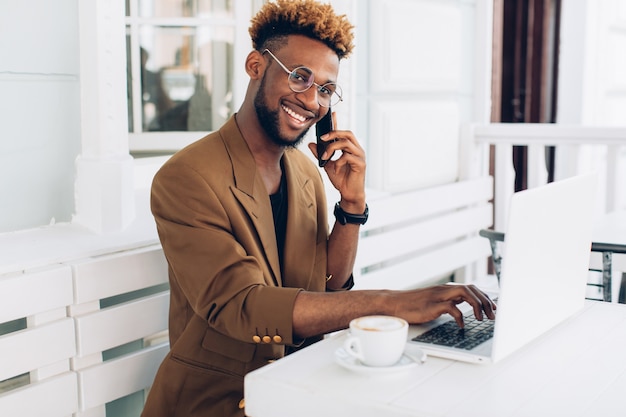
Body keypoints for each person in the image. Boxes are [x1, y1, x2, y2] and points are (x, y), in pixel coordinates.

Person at [142, 1, 496, 416]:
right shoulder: (187, 176)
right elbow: (243, 306)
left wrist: (351, 206)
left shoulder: (303, 172)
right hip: (218, 401)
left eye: (326, 89)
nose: (312, 101)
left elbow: (327, 287)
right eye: (299, 77)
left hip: (300, 384)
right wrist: (390, 303)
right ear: (256, 65)